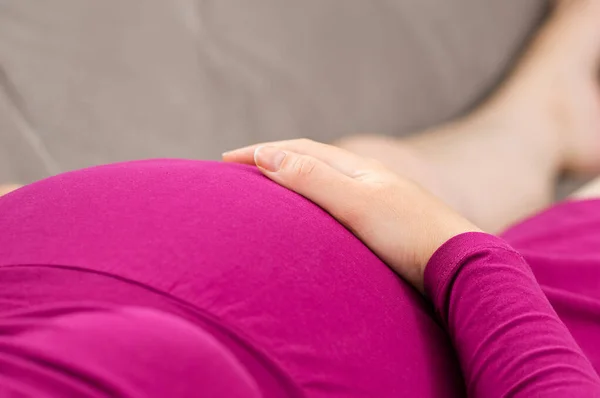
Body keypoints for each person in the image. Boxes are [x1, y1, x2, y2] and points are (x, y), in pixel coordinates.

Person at [0, 0, 599, 396]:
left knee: (390, 173)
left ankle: (542, 117)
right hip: (508, 330)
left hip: (309, 232)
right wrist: (451, 249)